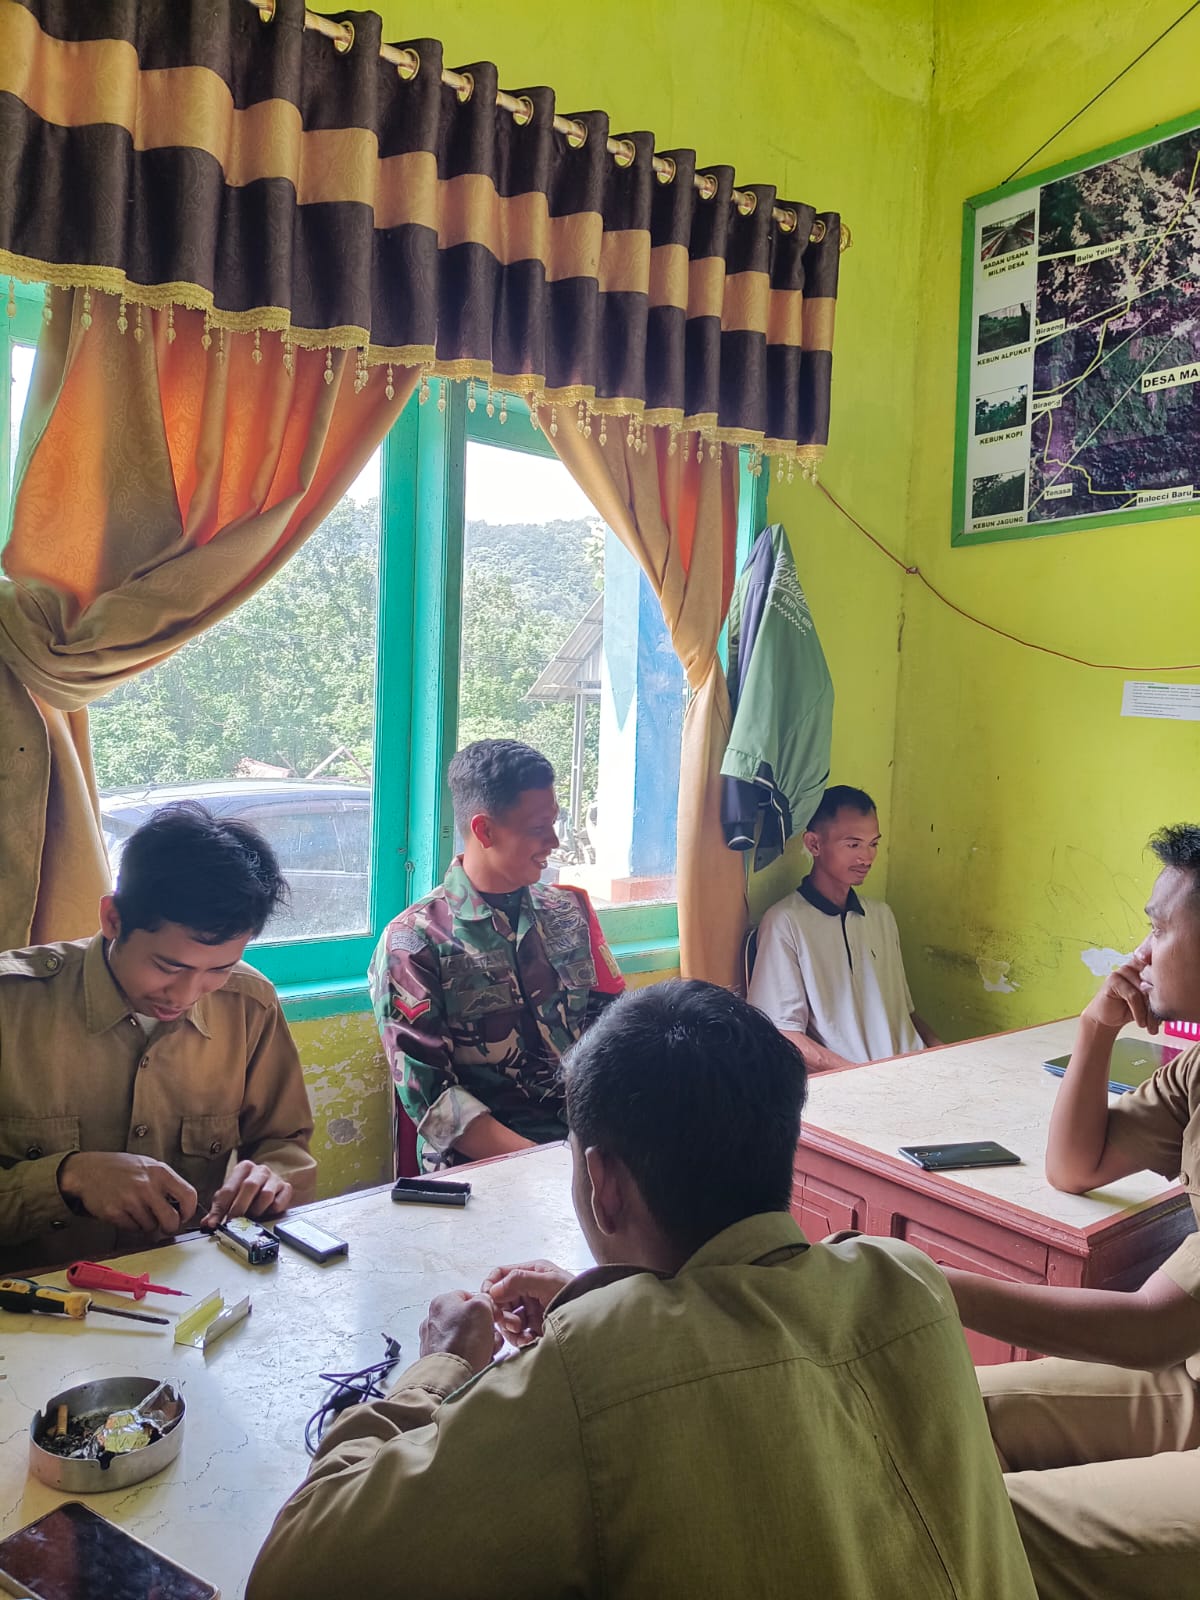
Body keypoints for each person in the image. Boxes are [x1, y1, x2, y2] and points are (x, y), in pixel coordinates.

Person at [248, 981, 1035, 1600]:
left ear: (604, 1185)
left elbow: (297, 1573)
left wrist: (440, 1367)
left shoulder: (594, 1366)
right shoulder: (903, 1279)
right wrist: (596, 1297)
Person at [945, 823, 1200, 1600]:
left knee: (981, 1530)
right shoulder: (1196, 1070)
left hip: (1177, 1352)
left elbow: (1154, 1328)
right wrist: (1096, 1026)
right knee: (940, 1414)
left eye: (1159, 928)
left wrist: (924, 1285)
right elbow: (1077, 1164)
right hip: (1191, 1374)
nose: (1141, 952)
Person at [0, 803, 316, 1274]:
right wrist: (66, 1178)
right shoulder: (11, 1006)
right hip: (31, 1298)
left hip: (191, 1288)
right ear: (113, 919)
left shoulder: (249, 1004)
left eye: (219, 969)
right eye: (168, 966)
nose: (185, 995)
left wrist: (272, 1178)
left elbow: (284, 1142)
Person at [369, 738, 623, 1172]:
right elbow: (435, 1102)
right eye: (538, 828)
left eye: (554, 823)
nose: (554, 841)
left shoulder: (569, 911)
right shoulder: (414, 941)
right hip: (485, 1166)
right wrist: (545, 1165)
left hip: (588, 1145)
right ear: (485, 831)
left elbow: (616, 1031)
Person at [748, 784, 940, 1071]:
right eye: (853, 845)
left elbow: (904, 1013)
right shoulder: (785, 923)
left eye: (873, 844)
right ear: (814, 844)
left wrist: (941, 1050)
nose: (867, 857)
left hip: (914, 1072)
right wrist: (861, 1076)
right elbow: (781, 1031)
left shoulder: (882, 916)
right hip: (851, 1081)